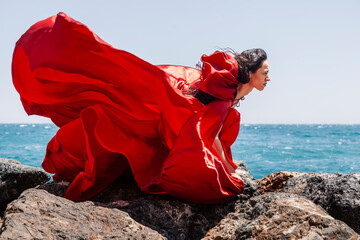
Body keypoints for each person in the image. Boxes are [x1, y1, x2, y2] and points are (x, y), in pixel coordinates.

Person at [12, 12, 270, 204]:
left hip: (136, 125)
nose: (269, 78)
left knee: (116, 146)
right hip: (129, 124)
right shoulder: (222, 93)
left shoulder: (221, 89)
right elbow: (207, 136)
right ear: (251, 74)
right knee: (102, 142)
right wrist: (229, 172)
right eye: (265, 72)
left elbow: (204, 131)